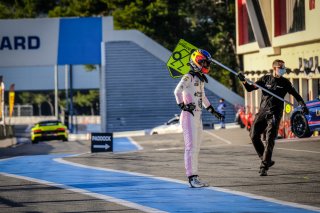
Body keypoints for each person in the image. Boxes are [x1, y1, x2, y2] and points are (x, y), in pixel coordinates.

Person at [238, 59, 309, 176]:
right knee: (253, 135)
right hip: (262, 112)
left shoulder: (286, 83)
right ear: (274, 68)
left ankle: (264, 166)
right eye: (281, 67)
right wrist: (243, 81)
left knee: (270, 139)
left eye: (284, 67)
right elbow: (250, 89)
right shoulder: (265, 79)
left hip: (275, 114)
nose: (283, 69)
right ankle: (265, 158)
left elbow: (296, 95)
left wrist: (303, 105)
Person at [174, 49, 224, 187]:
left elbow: (203, 97)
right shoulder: (188, 76)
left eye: (207, 63)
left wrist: (212, 110)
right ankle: (191, 177)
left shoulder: (199, 79)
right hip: (188, 115)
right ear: (196, 61)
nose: (206, 65)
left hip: (198, 116)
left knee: (196, 147)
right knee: (190, 147)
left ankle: (195, 176)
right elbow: (176, 91)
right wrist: (183, 106)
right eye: (204, 62)